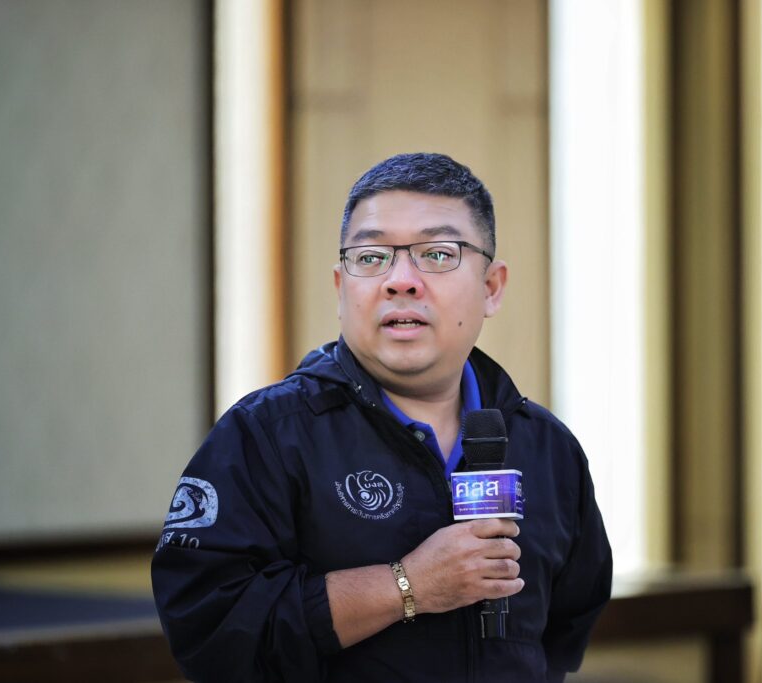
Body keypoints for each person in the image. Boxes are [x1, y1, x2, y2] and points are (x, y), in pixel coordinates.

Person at [151, 152, 613, 682]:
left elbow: (565, 630)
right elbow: (210, 628)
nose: (401, 281)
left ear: (491, 287)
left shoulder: (547, 448)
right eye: (371, 257)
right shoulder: (267, 435)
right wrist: (406, 585)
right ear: (340, 288)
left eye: (437, 254)